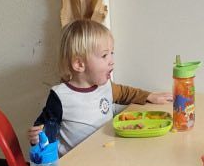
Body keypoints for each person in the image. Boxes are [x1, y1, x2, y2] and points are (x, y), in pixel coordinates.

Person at [29, 19, 172, 155]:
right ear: (79, 64)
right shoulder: (61, 96)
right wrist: (38, 137)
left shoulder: (105, 86)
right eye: (104, 56)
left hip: (106, 153)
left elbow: (125, 93)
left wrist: (149, 96)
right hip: (77, 164)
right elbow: (45, 129)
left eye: (112, 53)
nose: (111, 61)